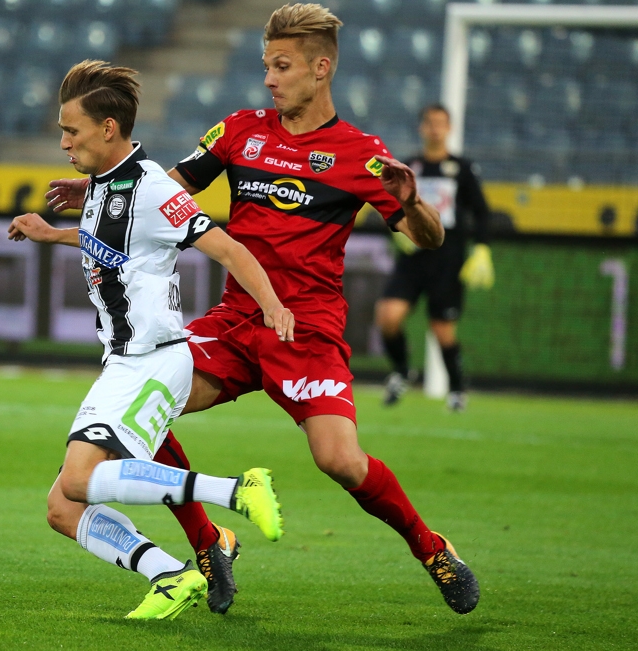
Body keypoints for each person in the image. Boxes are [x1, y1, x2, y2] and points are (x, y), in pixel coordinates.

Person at [45, 4, 480, 615]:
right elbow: (161, 187)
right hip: (235, 321)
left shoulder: (361, 155)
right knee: (148, 398)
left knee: (340, 461)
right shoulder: (239, 132)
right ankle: (208, 541)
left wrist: (412, 206)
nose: (270, 80)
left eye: (283, 67)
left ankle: (432, 548)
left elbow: (428, 239)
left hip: (306, 330)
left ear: (321, 68)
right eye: (266, 66)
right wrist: (95, 188)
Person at [8, 60, 294, 621]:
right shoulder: (103, 182)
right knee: (61, 508)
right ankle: (168, 573)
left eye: (72, 131)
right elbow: (116, 249)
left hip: (154, 360)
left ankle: (236, 490)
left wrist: (273, 305)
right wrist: (52, 235)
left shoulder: (155, 189)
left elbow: (230, 249)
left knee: (78, 478)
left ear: (108, 128)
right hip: (123, 362)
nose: (63, 142)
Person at [375, 103, 493, 412]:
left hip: (447, 260)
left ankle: (456, 390)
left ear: (449, 128)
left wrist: (481, 249)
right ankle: (402, 371)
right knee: (388, 316)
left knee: (442, 329)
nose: (435, 128)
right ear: (421, 128)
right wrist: (397, 232)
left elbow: (481, 213)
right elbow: (388, 204)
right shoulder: (409, 166)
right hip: (413, 259)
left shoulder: (462, 169)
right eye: (429, 122)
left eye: (441, 123)